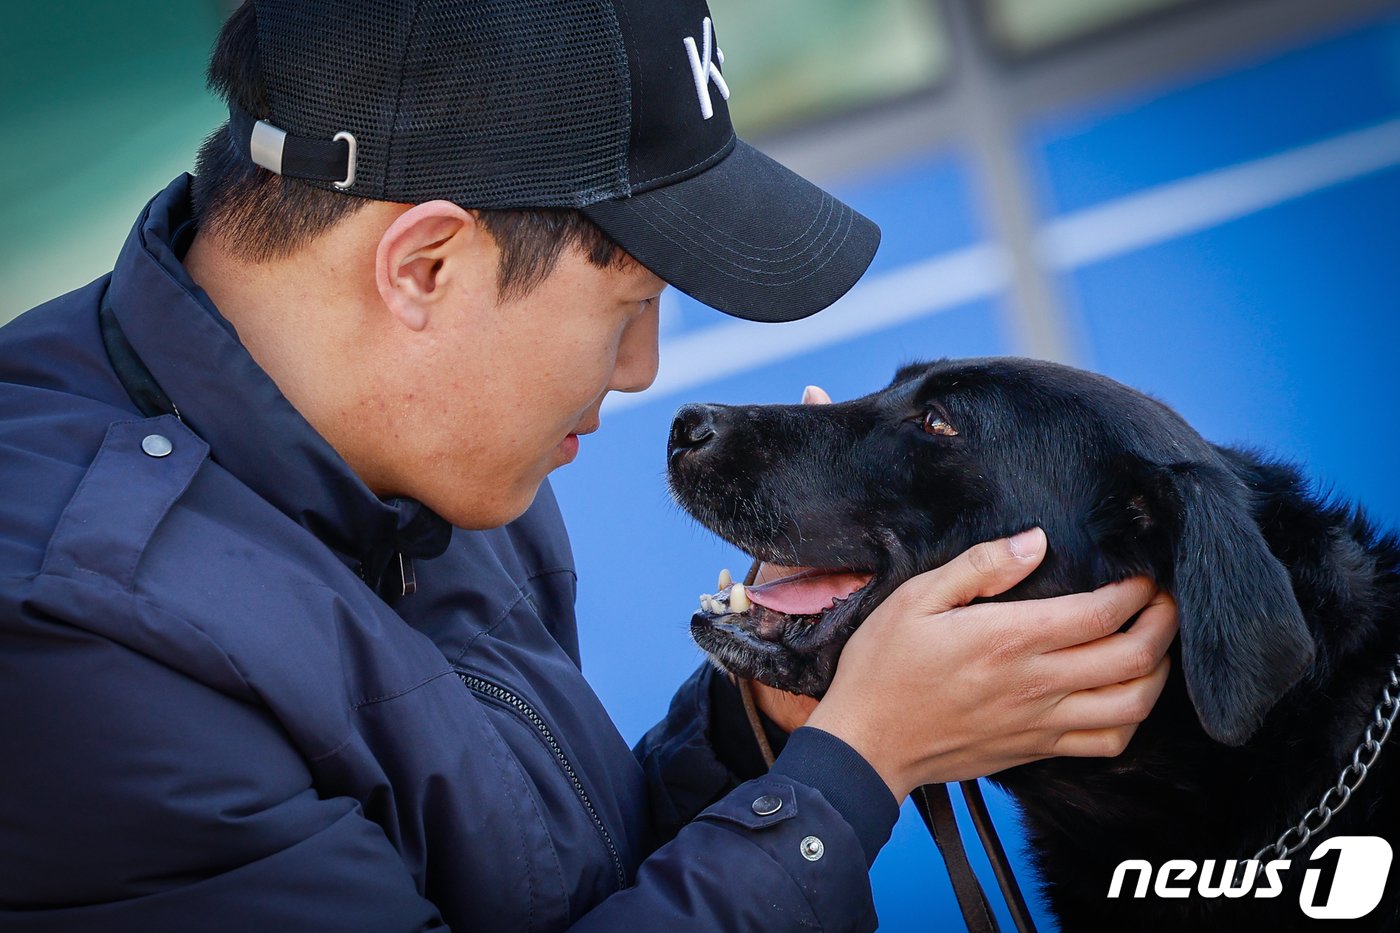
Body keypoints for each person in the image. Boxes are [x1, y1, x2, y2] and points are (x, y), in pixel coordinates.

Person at [0, 1, 1177, 930]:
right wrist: (853, 772)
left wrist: (763, 720)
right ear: (425, 268)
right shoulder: (69, 634)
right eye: (630, 301)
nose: (640, 369)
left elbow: (559, 882)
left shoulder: (431, 456)